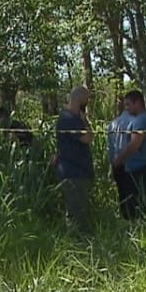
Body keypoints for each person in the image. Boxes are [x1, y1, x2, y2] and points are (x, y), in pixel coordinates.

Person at [113, 89, 146, 219]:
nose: (126, 109)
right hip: (141, 167)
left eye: (128, 105)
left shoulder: (140, 121)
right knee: (144, 202)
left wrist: (119, 159)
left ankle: (144, 230)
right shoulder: (143, 119)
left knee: (139, 204)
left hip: (140, 169)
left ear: (137, 103)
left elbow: (134, 144)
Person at [55, 86, 93, 230]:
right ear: (79, 99)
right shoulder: (68, 118)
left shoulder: (75, 118)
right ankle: (76, 242)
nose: (88, 101)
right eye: (86, 98)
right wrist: (85, 121)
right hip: (74, 173)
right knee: (76, 214)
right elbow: (88, 138)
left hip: (79, 172)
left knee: (80, 211)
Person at [107, 97, 133, 218]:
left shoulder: (112, 124)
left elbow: (110, 149)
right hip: (134, 165)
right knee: (135, 196)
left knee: (122, 195)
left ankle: (125, 220)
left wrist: (111, 167)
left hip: (118, 165)